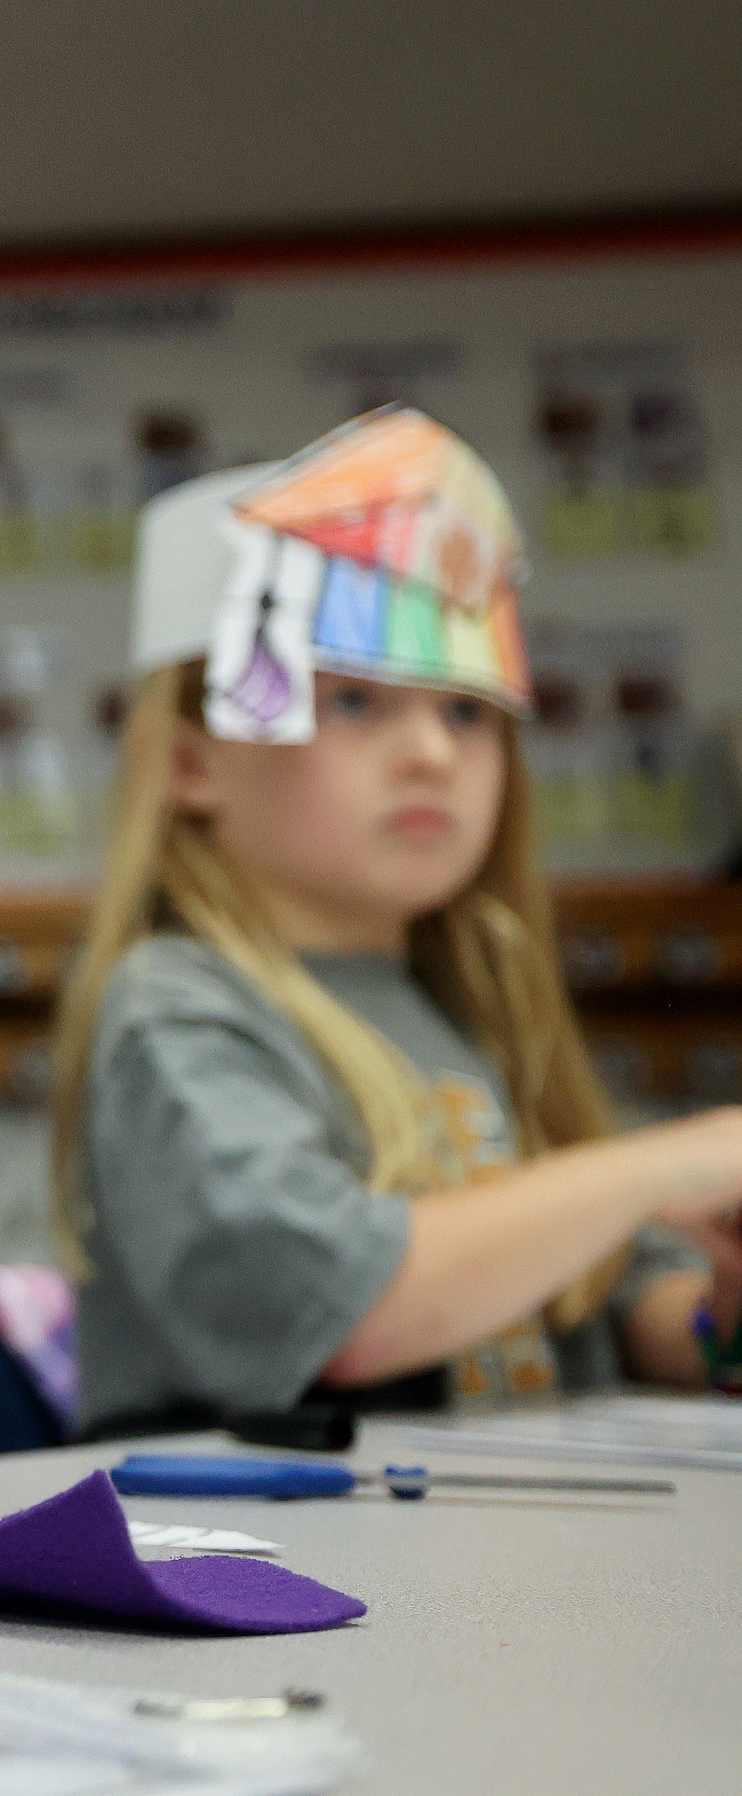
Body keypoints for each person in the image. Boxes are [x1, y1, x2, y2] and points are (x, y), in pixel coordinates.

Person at [53, 407, 742, 1438]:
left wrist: (717, 1311)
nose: (431, 752)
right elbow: (343, 1309)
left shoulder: (470, 1000)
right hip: (268, 1569)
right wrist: (661, 1167)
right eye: (356, 701)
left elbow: (624, 1303)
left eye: (468, 712)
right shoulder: (176, 1007)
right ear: (194, 763)